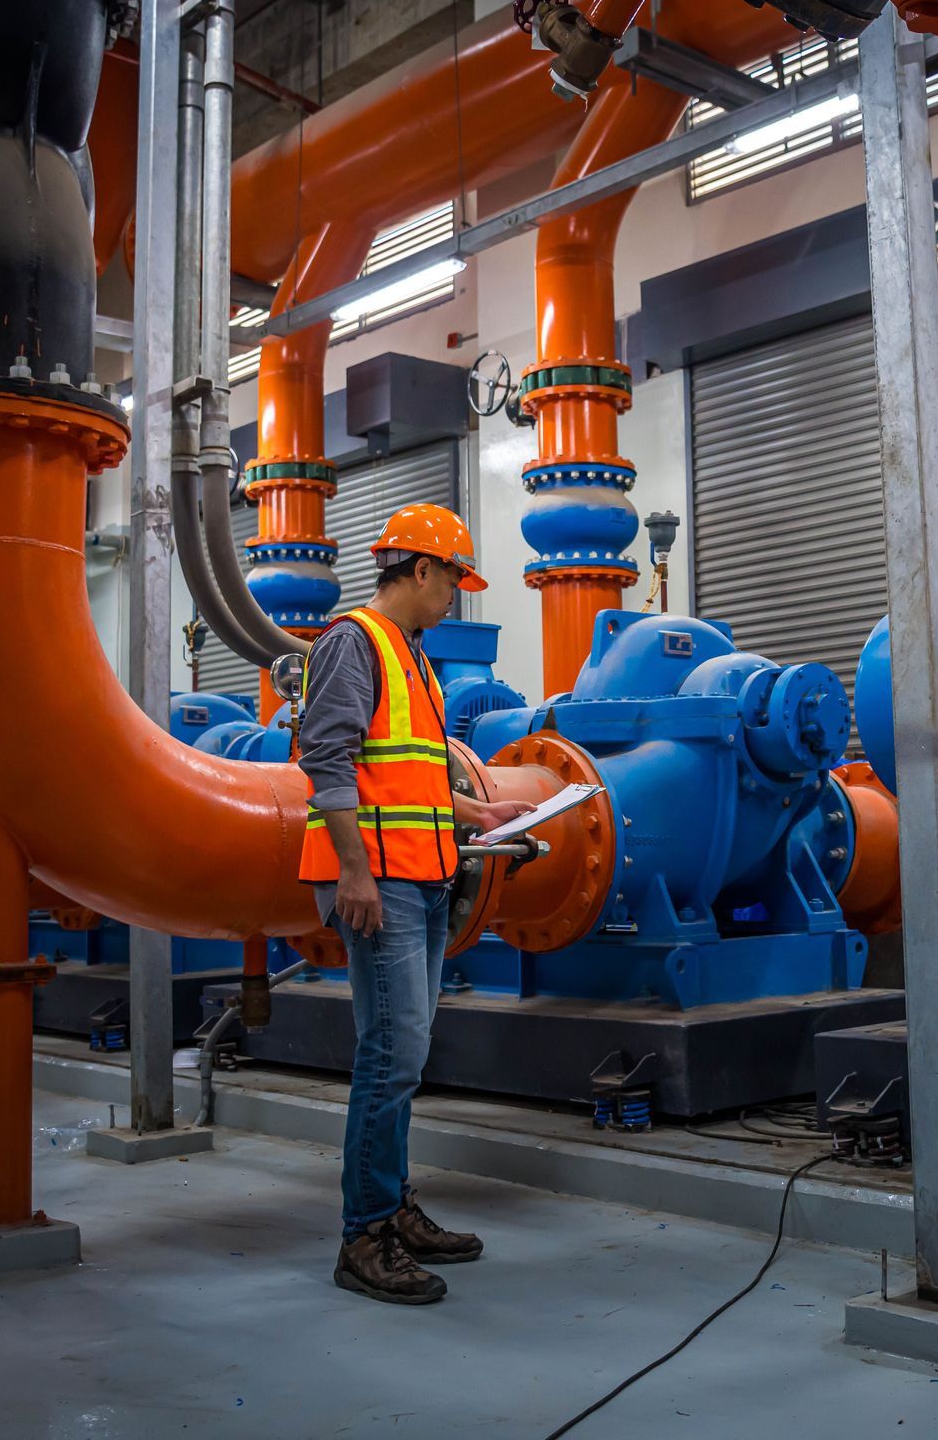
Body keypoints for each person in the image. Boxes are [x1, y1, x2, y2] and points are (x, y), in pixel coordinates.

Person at [296, 503, 531, 1305]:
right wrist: (354, 872)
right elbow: (326, 760)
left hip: (425, 875)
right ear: (422, 570)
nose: (456, 597)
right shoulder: (351, 643)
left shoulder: (414, 657)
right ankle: (365, 1233)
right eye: (455, 581)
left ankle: (390, 1206)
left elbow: (414, 776)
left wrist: (481, 814)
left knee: (405, 1051)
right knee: (390, 1055)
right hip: (382, 880)